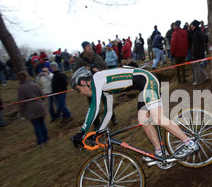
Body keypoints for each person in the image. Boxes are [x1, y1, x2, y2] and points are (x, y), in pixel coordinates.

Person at [69, 67, 200, 160]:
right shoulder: (104, 88)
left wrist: (82, 132)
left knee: (158, 118)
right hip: (144, 87)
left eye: (79, 90)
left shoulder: (97, 78)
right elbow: (108, 112)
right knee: (143, 120)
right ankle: (159, 152)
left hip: (148, 81)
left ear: (82, 82)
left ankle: (190, 143)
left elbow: (94, 107)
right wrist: (99, 132)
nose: (81, 94)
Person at [17, 71, 49, 147]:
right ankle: (46, 139)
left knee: (37, 126)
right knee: (42, 124)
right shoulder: (35, 85)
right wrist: (41, 103)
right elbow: (42, 95)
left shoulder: (20, 88)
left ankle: (41, 142)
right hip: (40, 106)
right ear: (27, 77)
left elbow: (21, 102)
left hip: (31, 109)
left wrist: (21, 113)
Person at [189, 20, 209, 85]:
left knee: (196, 67)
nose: (191, 26)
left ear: (194, 26)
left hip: (196, 53)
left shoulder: (196, 33)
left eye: (192, 25)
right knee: (198, 66)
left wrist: (194, 54)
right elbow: (206, 39)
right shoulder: (200, 32)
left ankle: (198, 80)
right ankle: (205, 76)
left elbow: (195, 45)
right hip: (200, 51)